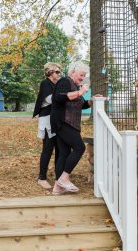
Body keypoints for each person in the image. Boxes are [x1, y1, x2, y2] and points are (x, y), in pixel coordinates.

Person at [50, 62, 97, 195]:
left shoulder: (75, 86)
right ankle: (64, 178)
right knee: (79, 147)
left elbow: (81, 105)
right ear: (73, 72)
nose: (83, 78)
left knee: (64, 153)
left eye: (84, 76)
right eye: (81, 75)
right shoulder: (65, 81)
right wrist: (80, 91)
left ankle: (57, 187)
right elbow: (58, 97)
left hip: (69, 123)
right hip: (63, 122)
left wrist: (91, 101)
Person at [33, 62, 62, 189]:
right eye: (57, 72)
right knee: (48, 148)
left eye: (59, 72)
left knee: (59, 149)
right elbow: (50, 99)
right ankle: (42, 177)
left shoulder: (56, 84)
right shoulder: (45, 83)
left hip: (55, 119)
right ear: (50, 72)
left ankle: (59, 176)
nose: (59, 74)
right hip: (47, 120)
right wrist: (66, 96)